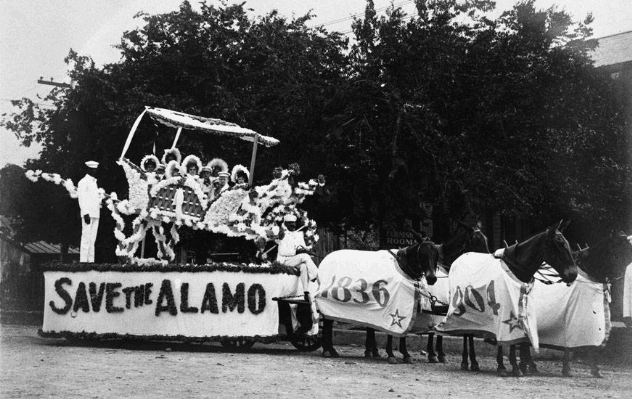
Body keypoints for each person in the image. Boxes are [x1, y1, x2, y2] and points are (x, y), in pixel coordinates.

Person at [276, 214, 318, 303]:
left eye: (294, 223)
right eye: (290, 223)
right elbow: (282, 251)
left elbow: (302, 248)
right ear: (286, 224)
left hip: (296, 260)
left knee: (303, 266)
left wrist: (307, 250)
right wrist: (296, 252)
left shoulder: (299, 234)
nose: (293, 225)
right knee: (304, 257)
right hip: (285, 261)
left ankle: (306, 291)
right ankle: (315, 276)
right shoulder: (283, 235)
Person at [77, 160, 102, 263]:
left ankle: (90, 261)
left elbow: (93, 199)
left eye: (95, 169)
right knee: (86, 238)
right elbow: (82, 199)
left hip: (96, 213)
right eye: (93, 169)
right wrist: (85, 213)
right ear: (88, 170)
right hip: (88, 213)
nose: (95, 171)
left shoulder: (94, 182)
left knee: (92, 239)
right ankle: (83, 261)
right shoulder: (83, 182)